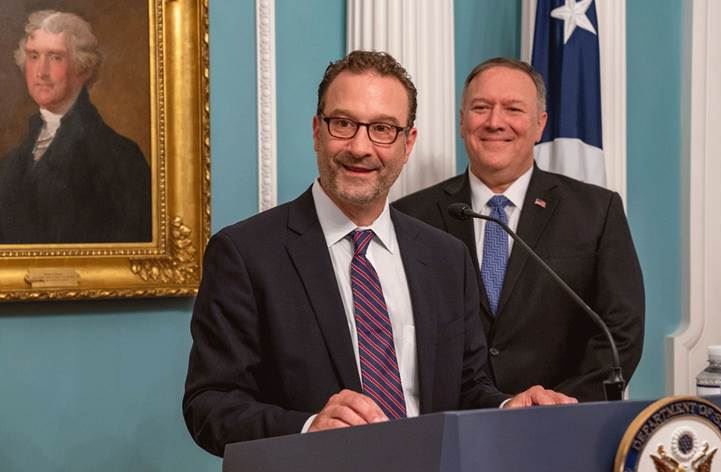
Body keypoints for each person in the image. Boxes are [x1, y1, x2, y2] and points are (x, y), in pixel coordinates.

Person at [183, 51, 575, 457]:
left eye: (383, 129)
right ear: (317, 131)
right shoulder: (246, 254)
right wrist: (307, 427)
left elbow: (467, 387)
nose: (360, 147)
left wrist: (509, 408)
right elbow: (209, 405)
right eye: (343, 123)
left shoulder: (445, 257)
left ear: (408, 144)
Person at [394, 57, 645, 402]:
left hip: (561, 418)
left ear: (540, 124)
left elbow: (621, 330)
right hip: (450, 420)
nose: (495, 122)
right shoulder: (410, 216)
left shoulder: (596, 212)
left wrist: (557, 407)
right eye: (481, 108)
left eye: (513, 109)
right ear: (462, 121)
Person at [0, 10, 151, 244]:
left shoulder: (120, 158)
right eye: (33, 56)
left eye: (55, 57)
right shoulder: (12, 161)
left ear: (84, 68)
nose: (41, 72)